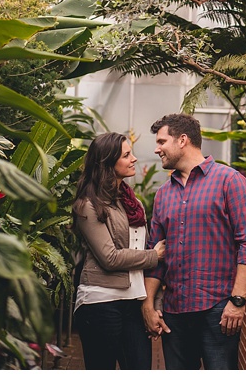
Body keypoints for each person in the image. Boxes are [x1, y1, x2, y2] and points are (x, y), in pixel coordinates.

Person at [142, 113, 246, 370]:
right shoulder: (163, 194)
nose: (157, 149)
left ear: (182, 140)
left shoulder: (230, 181)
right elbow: (156, 255)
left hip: (218, 311)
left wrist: (237, 301)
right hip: (174, 312)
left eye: (162, 141)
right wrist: (149, 304)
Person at [72, 131, 166, 369]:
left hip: (132, 301)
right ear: (107, 163)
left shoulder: (130, 201)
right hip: (100, 302)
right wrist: (153, 256)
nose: (134, 158)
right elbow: (109, 258)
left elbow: (135, 246)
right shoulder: (88, 205)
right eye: (126, 155)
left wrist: (153, 303)